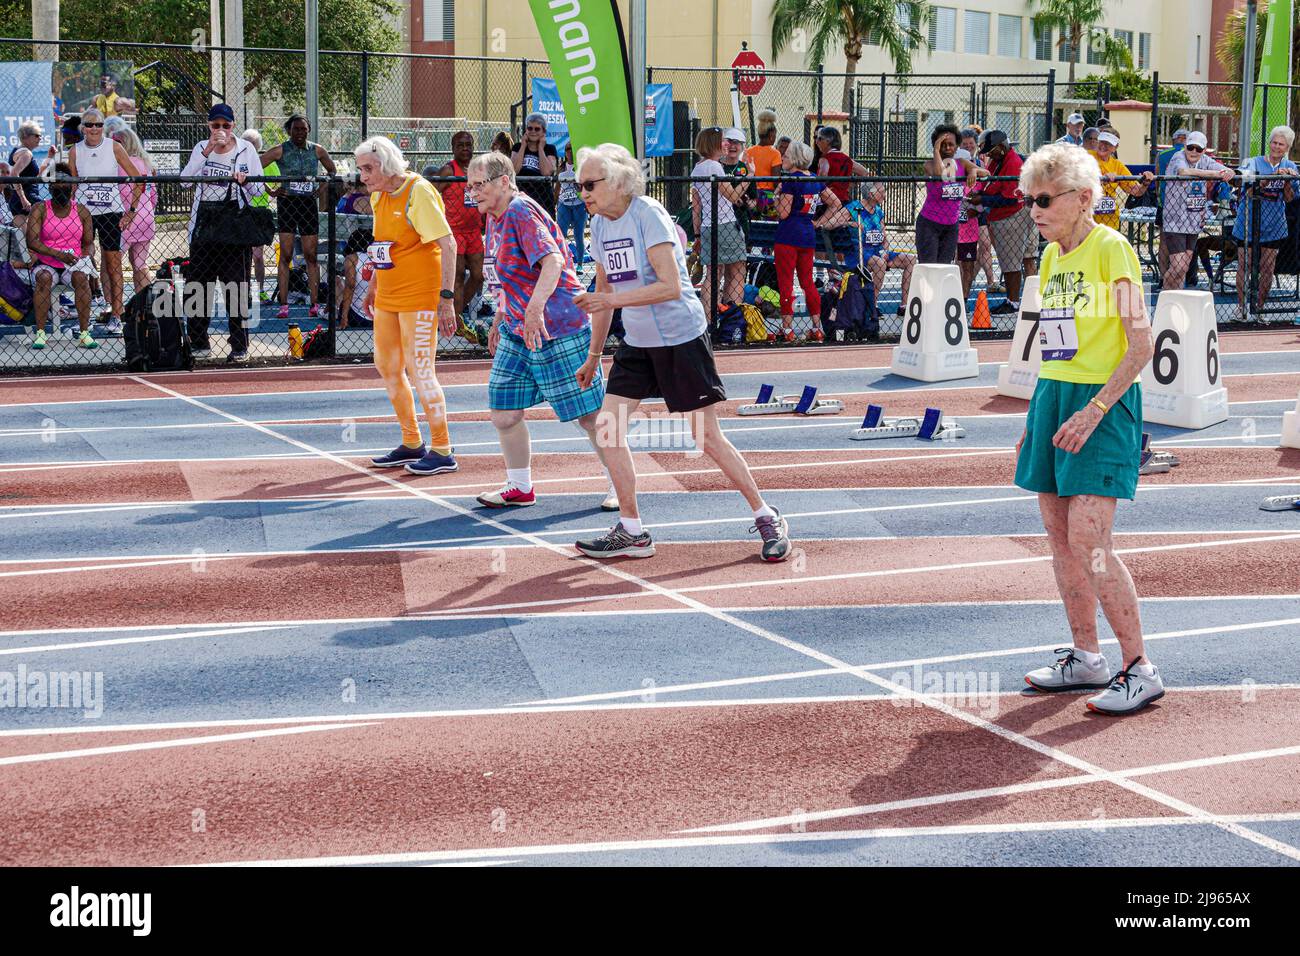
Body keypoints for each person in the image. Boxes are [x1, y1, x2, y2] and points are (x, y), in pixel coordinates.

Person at [573, 142, 793, 562]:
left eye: (589, 183)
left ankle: (767, 516)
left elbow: (670, 286)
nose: (583, 192)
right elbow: (602, 292)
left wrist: (612, 303)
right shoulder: (600, 225)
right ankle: (633, 529)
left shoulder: (648, 215)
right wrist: (592, 355)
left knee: (706, 437)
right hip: (638, 342)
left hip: (679, 337)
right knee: (608, 427)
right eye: (578, 184)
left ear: (618, 181)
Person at [1014, 142, 1161, 715]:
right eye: (1029, 199)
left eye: (1044, 199)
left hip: (1103, 401)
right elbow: (1053, 346)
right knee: (1058, 536)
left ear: (1082, 198)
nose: (1034, 209)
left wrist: (1095, 409)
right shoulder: (1051, 258)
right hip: (1055, 396)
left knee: (1089, 539)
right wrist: (1035, 414)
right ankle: (1086, 656)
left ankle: (1139, 666)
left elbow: (1141, 344)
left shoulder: (1112, 250)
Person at [467, 150, 611, 509]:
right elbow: (509, 275)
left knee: (589, 414)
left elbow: (553, 261)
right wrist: (502, 315)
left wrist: (533, 310)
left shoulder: (519, 210)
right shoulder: (495, 216)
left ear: (504, 181)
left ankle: (619, 483)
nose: (473, 193)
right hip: (519, 328)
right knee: (504, 410)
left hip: (557, 324)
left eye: (479, 185)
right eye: (470, 186)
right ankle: (520, 486)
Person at [354, 135, 460, 475]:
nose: (363, 176)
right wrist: (372, 284)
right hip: (389, 294)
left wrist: (446, 299)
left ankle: (442, 447)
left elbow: (449, 245)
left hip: (420, 294)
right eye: (360, 170)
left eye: (368, 168)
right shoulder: (378, 196)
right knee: (387, 366)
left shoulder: (419, 191)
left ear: (386, 164)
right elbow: (382, 244)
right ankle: (412, 441)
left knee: (420, 370)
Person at [179, 103, 265, 363]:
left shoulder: (245, 150)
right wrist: (206, 152)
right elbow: (184, 180)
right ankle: (199, 341)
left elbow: (259, 191)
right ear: (209, 126)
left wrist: (245, 181)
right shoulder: (200, 149)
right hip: (204, 229)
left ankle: (239, 344)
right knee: (199, 287)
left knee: (236, 288)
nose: (221, 130)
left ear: (233, 126)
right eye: (215, 125)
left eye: (225, 126)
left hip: (233, 230)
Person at [66, 107, 143, 335]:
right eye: (89, 125)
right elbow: (72, 185)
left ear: (103, 127)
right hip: (85, 214)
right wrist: (70, 213)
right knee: (83, 263)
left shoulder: (114, 147)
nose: (94, 129)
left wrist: (131, 210)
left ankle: (117, 316)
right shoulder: (75, 151)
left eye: (98, 125)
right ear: (83, 128)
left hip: (110, 213)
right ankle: (85, 318)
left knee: (113, 264)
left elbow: (138, 178)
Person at [260, 113, 338, 320]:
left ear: (308, 131)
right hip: (287, 203)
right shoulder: (280, 150)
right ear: (289, 131)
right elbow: (255, 167)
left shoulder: (317, 150)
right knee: (285, 256)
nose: (300, 133)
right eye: (296, 129)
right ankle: (284, 305)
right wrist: (271, 190)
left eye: (303, 129)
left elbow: (332, 170)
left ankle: (314, 303)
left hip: (307, 205)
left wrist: (320, 189)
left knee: (310, 256)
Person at [24, 164, 97, 350]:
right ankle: (41, 334)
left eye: (66, 186)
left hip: (73, 261)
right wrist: (58, 254)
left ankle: (84, 333)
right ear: (50, 188)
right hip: (46, 260)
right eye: (57, 186)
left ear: (73, 187)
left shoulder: (82, 211)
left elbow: (88, 242)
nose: (62, 190)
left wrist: (86, 257)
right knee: (44, 278)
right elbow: (32, 241)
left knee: (82, 278)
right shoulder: (40, 208)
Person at [773, 140, 838, 342]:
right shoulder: (815, 179)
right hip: (807, 234)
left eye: (786, 155)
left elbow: (783, 213)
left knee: (786, 283)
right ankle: (816, 327)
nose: (782, 157)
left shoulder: (791, 180)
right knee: (807, 282)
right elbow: (835, 203)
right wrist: (818, 222)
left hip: (787, 234)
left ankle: (787, 329)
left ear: (794, 158)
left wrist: (776, 197)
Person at [969, 129, 1035, 315]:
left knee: (1011, 262)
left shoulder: (1012, 162)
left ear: (1000, 147)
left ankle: (1013, 301)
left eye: (991, 151)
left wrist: (982, 200)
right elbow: (991, 185)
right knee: (1014, 260)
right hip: (1004, 215)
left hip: (1012, 216)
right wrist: (981, 195)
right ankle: (1018, 300)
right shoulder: (998, 161)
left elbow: (1010, 199)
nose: (988, 154)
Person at [1233, 125, 1298, 313]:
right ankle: (1241, 307)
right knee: (1244, 264)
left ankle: (1259, 308)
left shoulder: (1290, 166)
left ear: (1287, 148)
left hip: (1274, 224)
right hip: (1248, 221)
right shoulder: (1253, 162)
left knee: (1267, 268)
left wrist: (1286, 180)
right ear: (1269, 143)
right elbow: (1249, 191)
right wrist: (1272, 176)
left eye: (1281, 144)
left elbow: (1289, 198)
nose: (1276, 147)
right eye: (1274, 142)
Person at [429, 130, 485, 343]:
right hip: (454, 232)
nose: (465, 148)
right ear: (453, 148)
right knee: (458, 276)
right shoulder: (447, 170)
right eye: (460, 145)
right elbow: (432, 194)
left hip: (474, 231)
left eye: (468, 144)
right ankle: (457, 321)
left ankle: (457, 315)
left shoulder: (478, 170)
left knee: (479, 275)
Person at [1160, 131, 1234, 291]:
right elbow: (1183, 172)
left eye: (1198, 149)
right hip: (1175, 221)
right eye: (1190, 147)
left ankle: (1176, 297)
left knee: (1184, 266)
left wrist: (1228, 172)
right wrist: (1215, 174)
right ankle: (1165, 294)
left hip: (1193, 222)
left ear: (1204, 150)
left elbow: (1226, 170)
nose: (1193, 152)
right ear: (1185, 146)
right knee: (1178, 265)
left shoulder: (1205, 160)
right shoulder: (1178, 157)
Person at [690, 126, 747, 313]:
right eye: (723, 140)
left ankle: (708, 317)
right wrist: (749, 177)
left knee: (713, 274)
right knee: (738, 271)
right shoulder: (715, 167)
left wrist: (697, 233)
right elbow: (732, 196)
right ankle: (733, 316)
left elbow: (696, 206)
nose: (727, 144)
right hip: (725, 224)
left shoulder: (697, 169)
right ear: (713, 143)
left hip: (707, 226)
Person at [916, 123, 981, 264]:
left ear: (957, 146)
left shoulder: (961, 163)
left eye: (951, 144)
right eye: (942, 144)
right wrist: (936, 149)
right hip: (929, 224)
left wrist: (973, 170)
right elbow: (940, 174)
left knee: (944, 268)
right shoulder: (929, 164)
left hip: (951, 225)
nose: (947, 148)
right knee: (929, 267)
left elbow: (985, 173)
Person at [854, 182, 915, 320]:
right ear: (871, 194)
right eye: (882, 191)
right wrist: (851, 224)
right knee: (880, 264)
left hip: (879, 253)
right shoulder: (856, 208)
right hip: (863, 253)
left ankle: (903, 306)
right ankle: (872, 305)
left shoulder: (879, 211)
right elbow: (837, 221)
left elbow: (885, 238)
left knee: (911, 259)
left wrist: (885, 251)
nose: (885, 194)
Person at [110, 125, 158, 295]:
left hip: (127, 217)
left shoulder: (120, 166)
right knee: (140, 263)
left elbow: (119, 194)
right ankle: (145, 303)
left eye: (115, 142)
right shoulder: (147, 163)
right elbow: (153, 195)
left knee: (113, 263)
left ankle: (114, 305)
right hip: (146, 216)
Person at [1091, 130, 1153, 232]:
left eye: (1108, 143)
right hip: (1087, 219)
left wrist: (1145, 185)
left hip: (1110, 221)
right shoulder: (1088, 156)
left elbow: (1135, 191)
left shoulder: (1117, 165)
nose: (1103, 145)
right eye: (1102, 141)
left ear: (1115, 147)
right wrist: (1101, 178)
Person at [813, 125, 871, 230]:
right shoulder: (847, 159)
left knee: (819, 230)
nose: (817, 141)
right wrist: (847, 186)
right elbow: (864, 172)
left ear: (828, 141)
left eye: (820, 138)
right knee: (839, 232)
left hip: (828, 203)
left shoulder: (825, 159)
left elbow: (822, 178)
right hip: (844, 201)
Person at [242, 129, 277, 301]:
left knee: (257, 255)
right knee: (242, 255)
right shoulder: (238, 161)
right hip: (241, 210)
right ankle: (244, 291)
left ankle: (261, 290)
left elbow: (274, 186)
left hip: (259, 212)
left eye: (253, 146)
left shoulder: (267, 163)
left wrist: (268, 188)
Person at [511, 113, 558, 216]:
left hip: (543, 199)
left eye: (537, 129)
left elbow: (546, 172)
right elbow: (514, 170)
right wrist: (523, 145)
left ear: (544, 131)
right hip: (521, 199)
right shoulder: (517, 147)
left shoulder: (550, 149)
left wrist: (541, 148)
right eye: (530, 128)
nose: (533, 132)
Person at [556, 142, 588, 271]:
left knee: (578, 234)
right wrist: (554, 201)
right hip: (564, 204)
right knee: (561, 234)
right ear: (565, 152)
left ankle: (579, 264)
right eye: (567, 149)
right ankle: (563, 262)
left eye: (572, 149)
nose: (569, 152)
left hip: (579, 204)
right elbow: (557, 186)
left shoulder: (580, 167)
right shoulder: (561, 167)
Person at [6, 122, 43, 232]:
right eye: (36, 135)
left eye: (40, 135)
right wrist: (23, 198)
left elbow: (34, 175)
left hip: (20, 198)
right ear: (26, 136)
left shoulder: (18, 150)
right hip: (26, 198)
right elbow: (14, 174)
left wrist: (50, 156)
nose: (40, 138)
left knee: (24, 240)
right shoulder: (26, 153)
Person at [746, 109, 782, 217]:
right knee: (769, 228)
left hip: (752, 195)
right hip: (768, 196)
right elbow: (776, 180)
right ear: (771, 135)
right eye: (775, 135)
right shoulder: (775, 153)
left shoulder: (749, 151)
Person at [720, 127, 753, 244]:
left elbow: (754, 199)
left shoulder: (746, 168)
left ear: (742, 146)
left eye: (737, 143)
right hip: (720, 218)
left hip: (740, 218)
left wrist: (749, 202)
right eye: (729, 142)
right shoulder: (717, 166)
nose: (733, 146)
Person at [337, 229, 373, 330]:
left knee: (337, 280)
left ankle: (330, 311)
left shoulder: (352, 259)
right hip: (379, 316)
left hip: (357, 316)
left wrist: (344, 316)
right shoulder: (380, 257)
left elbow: (350, 286)